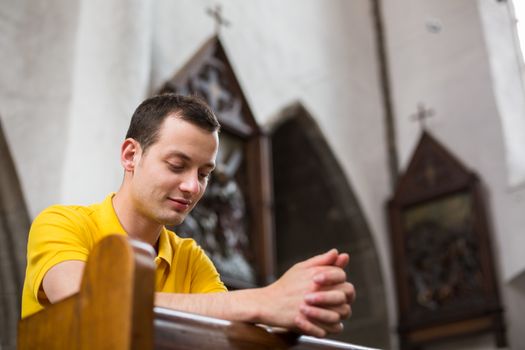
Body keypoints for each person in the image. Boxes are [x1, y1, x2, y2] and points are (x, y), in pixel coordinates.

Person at [21, 94, 355, 338]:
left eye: (205, 173)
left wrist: (302, 305)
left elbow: (230, 329)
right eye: (177, 165)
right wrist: (267, 300)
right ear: (130, 155)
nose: (193, 186)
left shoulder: (190, 258)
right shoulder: (61, 224)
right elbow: (90, 302)